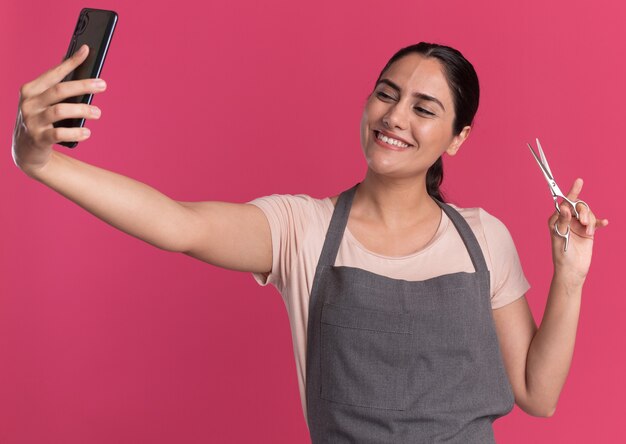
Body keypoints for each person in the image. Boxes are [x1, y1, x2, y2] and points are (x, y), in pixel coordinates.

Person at [12, 41, 608, 443]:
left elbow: (538, 393)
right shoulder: (304, 228)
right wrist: (41, 163)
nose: (395, 116)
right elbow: (178, 224)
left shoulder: (483, 237)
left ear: (457, 138)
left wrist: (570, 276)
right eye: (386, 92)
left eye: (424, 108)